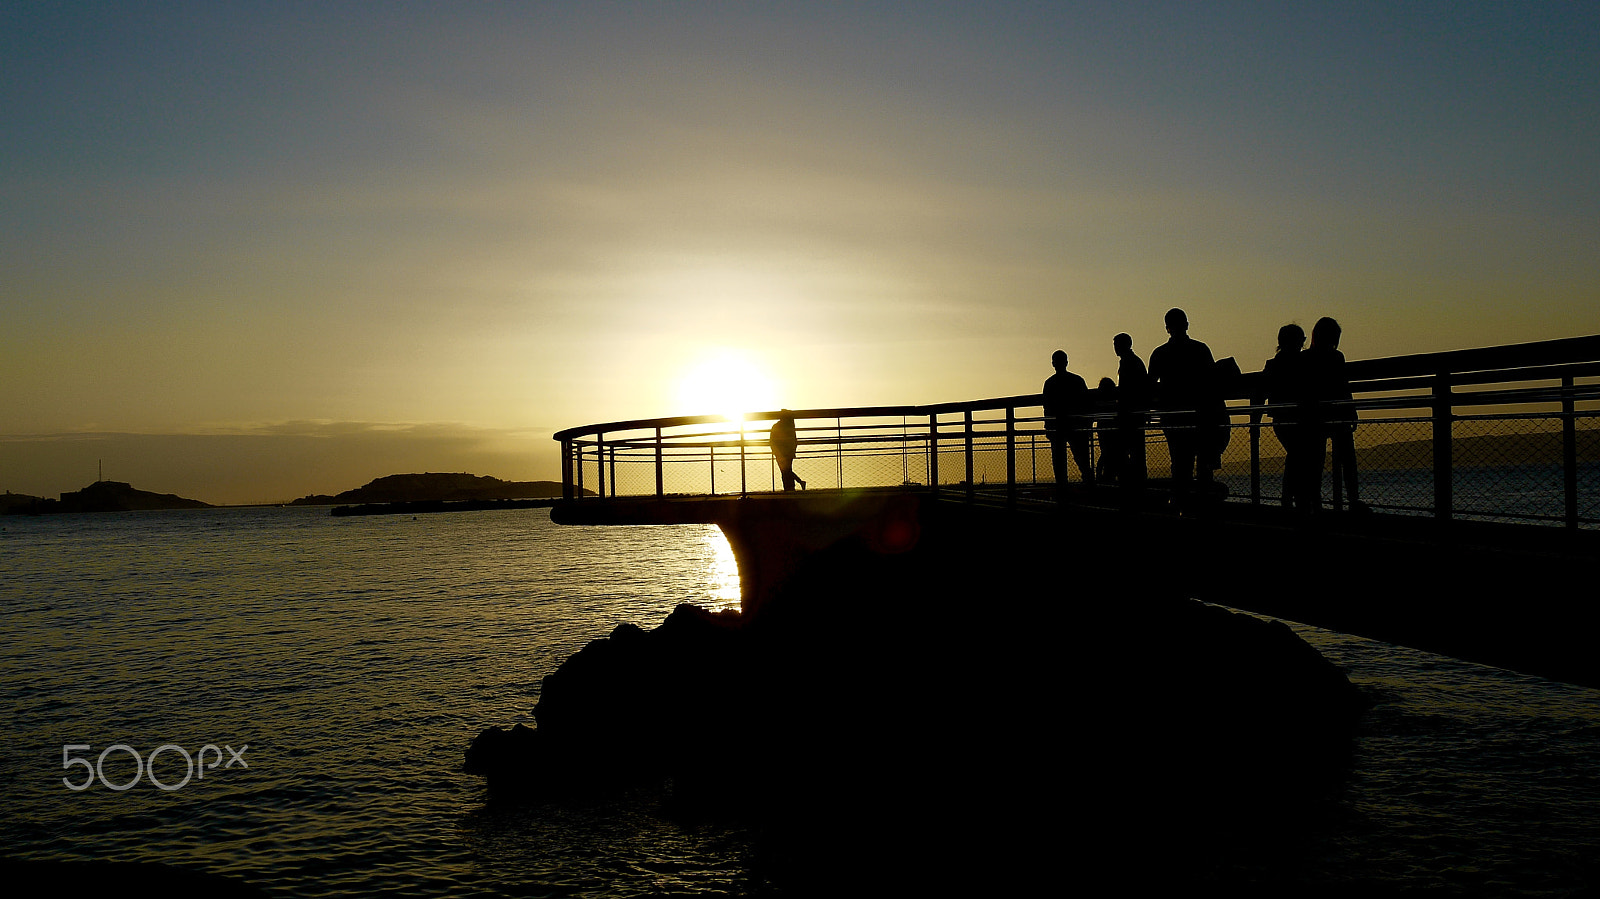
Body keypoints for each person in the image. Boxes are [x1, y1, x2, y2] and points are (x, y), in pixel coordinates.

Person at [1147, 308, 1218, 499]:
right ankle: (1203, 501)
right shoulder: (1200, 349)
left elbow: (1150, 386)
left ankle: (1181, 501)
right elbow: (1212, 380)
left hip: (1172, 415)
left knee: (1179, 461)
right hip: (1200, 413)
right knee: (1203, 461)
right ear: (1186, 325)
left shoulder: (1159, 354)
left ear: (1167, 328)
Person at [1302, 317, 1367, 513]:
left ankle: (1314, 500)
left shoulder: (1305, 358)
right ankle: (1353, 499)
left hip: (1314, 415)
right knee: (1347, 458)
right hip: (1337, 412)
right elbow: (1343, 386)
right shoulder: (1337, 357)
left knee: (1316, 460)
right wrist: (1351, 409)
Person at [1259, 323, 1308, 509]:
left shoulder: (1273, 365)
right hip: (1301, 417)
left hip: (1280, 419)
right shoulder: (1304, 363)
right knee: (1300, 455)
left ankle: (1291, 497)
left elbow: (1260, 392)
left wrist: (1255, 422)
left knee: (1296, 455)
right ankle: (1296, 497)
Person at [1043, 350, 1094, 494]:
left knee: (1059, 462)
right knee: (1082, 459)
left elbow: (1047, 408)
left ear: (1053, 364)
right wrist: (1087, 424)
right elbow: (1086, 405)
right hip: (1076, 426)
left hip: (1058, 427)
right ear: (1066, 362)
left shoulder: (1049, 383)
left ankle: (1063, 490)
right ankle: (1090, 487)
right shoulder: (1077, 380)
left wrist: (1048, 427)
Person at [1112, 332, 1150, 492]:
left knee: (1130, 451)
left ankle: (1133, 486)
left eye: (1116, 345)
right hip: (1134, 414)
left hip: (1130, 415)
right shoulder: (1133, 362)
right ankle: (1136, 484)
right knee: (1135, 452)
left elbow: (1131, 390)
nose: (1114, 348)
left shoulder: (1129, 363)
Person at [1094, 377, 1121, 485]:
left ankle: (1102, 477)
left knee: (1105, 453)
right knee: (1113, 453)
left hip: (1103, 430)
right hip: (1114, 430)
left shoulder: (1099, 404)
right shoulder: (1115, 403)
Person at [769, 412, 806, 491]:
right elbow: (794, 440)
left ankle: (790, 487)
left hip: (779, 452)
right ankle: (793, 485)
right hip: (788, 453)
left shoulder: (776, 426)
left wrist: (774, 450)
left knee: (785, 471)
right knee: (787, 470)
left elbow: (772, 440)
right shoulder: (790, 427)